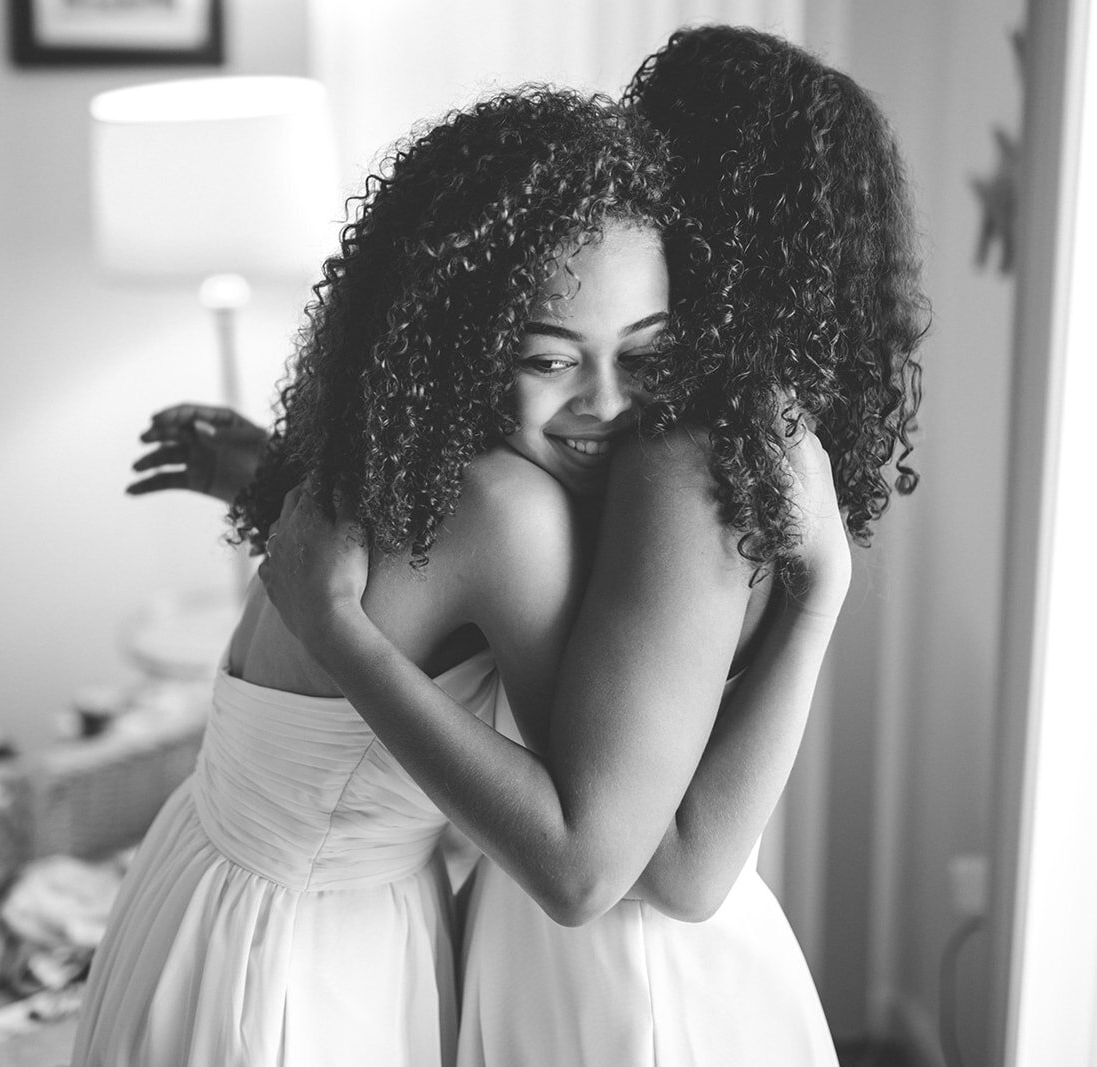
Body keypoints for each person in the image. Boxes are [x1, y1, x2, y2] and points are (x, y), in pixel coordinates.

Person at [77, 86, 850, 1067]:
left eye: (643, 352)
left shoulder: (405, 451)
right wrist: (338, 631)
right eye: (546, 357)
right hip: (297, 957)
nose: (606, 402)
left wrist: (273, 483)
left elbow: (415, 588)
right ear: (458, 344)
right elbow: (587, 869)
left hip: (208, 885)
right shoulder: (510, 513)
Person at [254, 25, 925, 1067]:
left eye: (648, 143)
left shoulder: (686, 460)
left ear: (706, 210)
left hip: (630, 979)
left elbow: (679, 868)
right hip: (580, 941)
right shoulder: (690, 428)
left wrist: (822, 595)